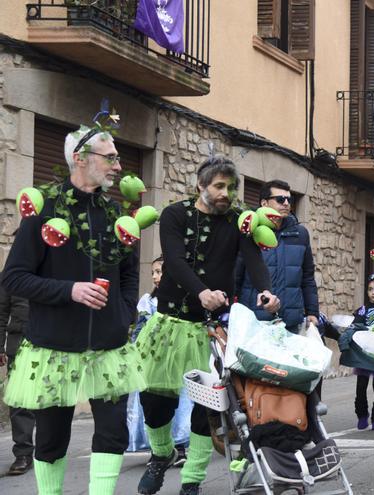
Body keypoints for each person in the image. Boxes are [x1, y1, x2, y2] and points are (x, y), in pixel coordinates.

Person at [2, 123, 143, 494]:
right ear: (80, 159)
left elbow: (130, 274)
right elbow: (13, 278)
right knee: (50, 439)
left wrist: (123, 313)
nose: (118, 166)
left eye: (117, 158)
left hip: (110, 348)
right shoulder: (44, 210)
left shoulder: (115, 215)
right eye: (110, 157)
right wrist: (70, 291)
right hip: (53, 348)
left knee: (113, 433)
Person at [135, 157, 281, 495]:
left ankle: (192, 481)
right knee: (154, 401)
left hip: (209, 329)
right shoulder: (174, 214)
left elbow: (254, 258)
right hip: (169, 324)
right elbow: (174, 259)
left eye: (230, 188)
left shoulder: (237, 221)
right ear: (201, 185)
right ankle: (161, 454)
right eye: (219, 186)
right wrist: (200, 292)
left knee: (206, 409)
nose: (225, 193)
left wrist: (266, 291)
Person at [127, 256, 193, 466]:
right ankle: (159, 449)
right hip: (153, 360)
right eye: (153, 272)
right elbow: (139, 331)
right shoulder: (149, 302)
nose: (155, 276)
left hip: (178, 359)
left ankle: (180, 447)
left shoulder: (185, 300)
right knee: (151, 402)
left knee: (180, 402)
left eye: (159, 271)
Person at [236, 179, 319, 331]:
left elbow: (307, 277)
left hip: (290, 322)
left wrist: (313, 312)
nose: (286, 203)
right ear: (264, 203)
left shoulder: (300, 234)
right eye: (280, 199)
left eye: (289, 199)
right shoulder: (249, 232)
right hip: (255, 321)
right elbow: (236, 275)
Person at [0, 277, 35, 475]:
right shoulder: (10, 274)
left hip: (51, 344)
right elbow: (1, 312)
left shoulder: (52, 266)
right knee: (19, 400)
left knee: (51, 402)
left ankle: (51, 450)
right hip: (19, 344)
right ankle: (23, 453)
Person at [352, 275, 374, 430]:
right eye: (371, 289)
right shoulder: (362, 310)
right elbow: (355, 326)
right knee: (361, 385)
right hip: (363, 353)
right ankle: (362, 415)